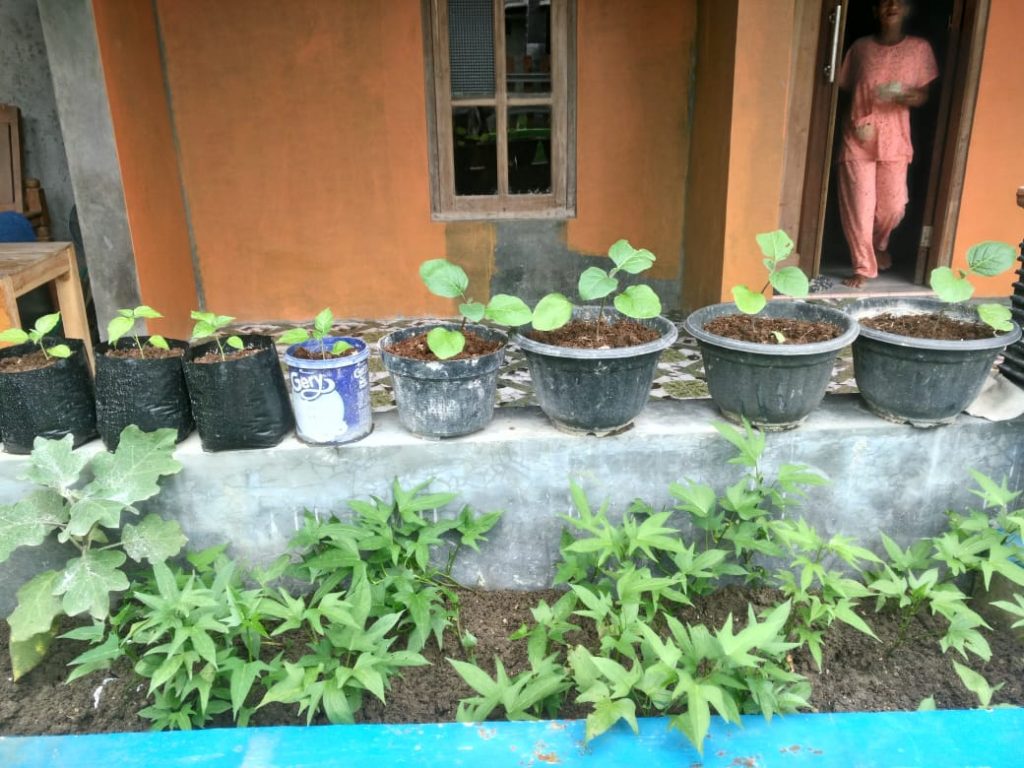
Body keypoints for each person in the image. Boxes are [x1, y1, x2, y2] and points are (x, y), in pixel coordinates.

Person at [836, 0, 938, 289]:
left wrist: (907, 96)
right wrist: (855, 123)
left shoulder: (919, 49)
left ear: (907, 8)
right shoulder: (860, 49)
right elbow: (843, 90)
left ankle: (877, 245)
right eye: (884, 1)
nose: (891, 5)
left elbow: (923, 96)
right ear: (875, 10)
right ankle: (863, 267)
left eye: (898, 0)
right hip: (859, 137)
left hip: (895, 138)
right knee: (860, 208)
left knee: (892, 208)